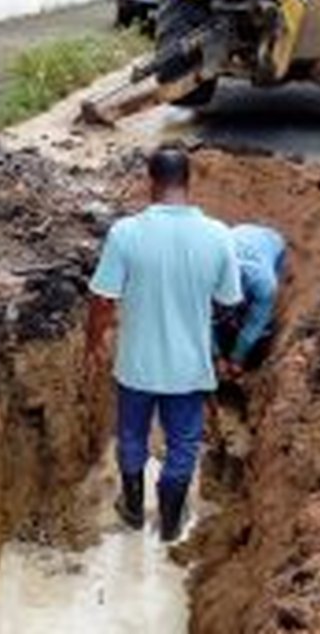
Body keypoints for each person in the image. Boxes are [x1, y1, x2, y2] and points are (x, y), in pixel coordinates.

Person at [85, 148, 242, 542]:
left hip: (136, 365)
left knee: (133, 435)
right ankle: (171, 522)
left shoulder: (126, 233)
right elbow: (228, 302)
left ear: (150, 181)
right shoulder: (219, 235)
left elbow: (103, 300)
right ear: (189, 183)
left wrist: (93, 341)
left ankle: (134, 509)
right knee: (184, 443)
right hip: (189, 370)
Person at [216, 224, 288, 379]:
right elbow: (203, 320)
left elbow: (255, 322)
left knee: (259, 317)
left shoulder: (264, 284)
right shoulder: (209, 275)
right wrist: (216, 356)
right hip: (237, 234)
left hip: (272, 241)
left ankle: (248, 343)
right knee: (221, 318)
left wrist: (237, 358)